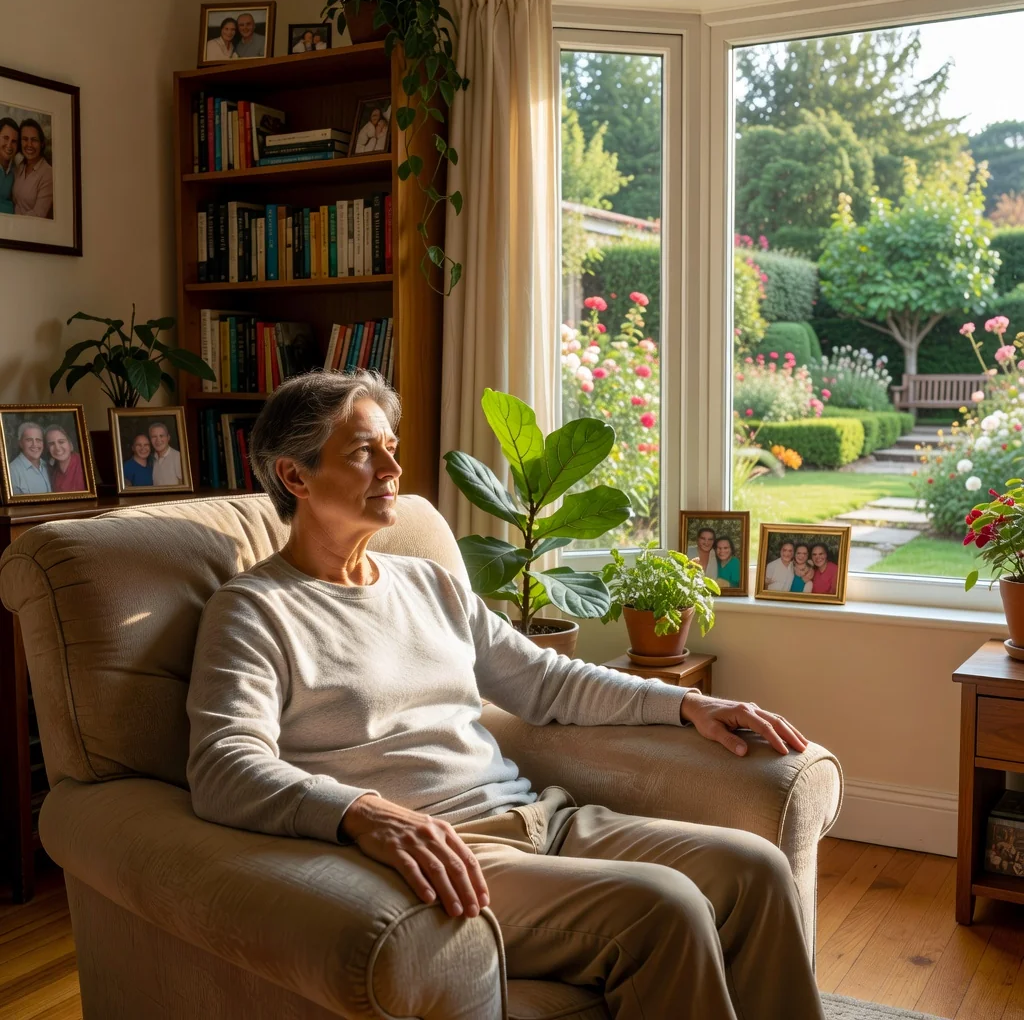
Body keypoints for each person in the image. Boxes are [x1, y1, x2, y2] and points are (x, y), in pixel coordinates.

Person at [186, 370, 824, 1020]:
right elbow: (221, 765)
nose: (392, 465)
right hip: (453, 854)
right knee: (668, 908)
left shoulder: (427, 583)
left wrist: (687, 704)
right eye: (362, 452)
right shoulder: (253, 611)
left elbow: (546, 681)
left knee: (756, 871)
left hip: (548, 819)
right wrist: (361, 812)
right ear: (295, 477)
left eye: (389, 445)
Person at [12, 119, 52, 219]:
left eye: (34, 140)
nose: (29, 145)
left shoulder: (48, 173)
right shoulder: (20, 166)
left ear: (42, 144)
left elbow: (38, 215)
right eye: (25, 139)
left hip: (29, 231)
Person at [8, 421, 51, 495]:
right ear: (20, 443)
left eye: (38, 440)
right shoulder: (12, 472)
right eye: (29, 440)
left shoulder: (48, 466)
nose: (34, 444)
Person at [45, 425, 86, 493]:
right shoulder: (53, 471)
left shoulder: (83, 464)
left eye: (61, 442)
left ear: (70, 444)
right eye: (51, 444)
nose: (57, 448)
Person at [0, 117, 19, 215]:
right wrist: (9, 207)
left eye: (14, 141)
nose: (9, 145)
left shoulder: (16, 170)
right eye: (6, 138)